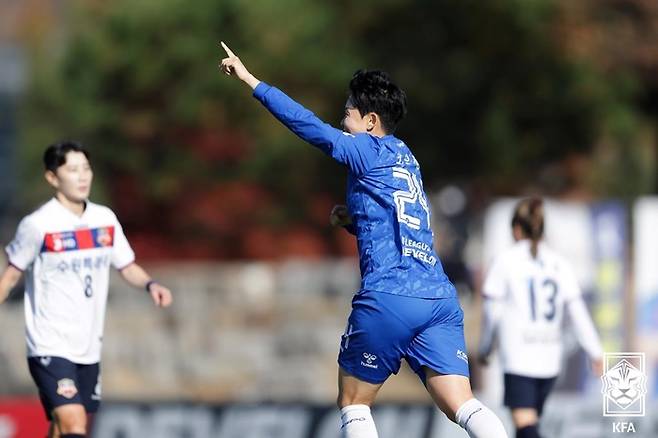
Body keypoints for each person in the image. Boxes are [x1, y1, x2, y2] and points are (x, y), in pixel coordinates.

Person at [219, 42, 508, 438]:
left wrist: (251, 80)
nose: (343, 118)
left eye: (349, 111)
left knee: (354, 402)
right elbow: (400, 219)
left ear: (371, 121)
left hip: (390, 294)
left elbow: (308, 126)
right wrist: (353, 219)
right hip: (438, 298)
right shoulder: (406, 157)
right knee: (463, 404)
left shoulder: (365, 150)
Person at [0, 141, 173, 438]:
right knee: (74, 423)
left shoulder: (104, 219)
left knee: (61, 424)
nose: (82, 177)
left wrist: (150, 284)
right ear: (53, 178)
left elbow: (127, 266)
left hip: (89, 345)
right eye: (73, 170)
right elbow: (11, 276)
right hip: (50, 343)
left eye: (86, 169)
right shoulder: (38, 225)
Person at [478, 197, 603, 438]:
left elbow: (492, 312)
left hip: (519, 358)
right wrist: (595, 351)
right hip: (549, 360)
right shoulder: (559, 263)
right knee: (528, 424)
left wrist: (485, 348)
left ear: (516, 229)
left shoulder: (505, 261)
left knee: (526, 427)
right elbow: (577, 312)